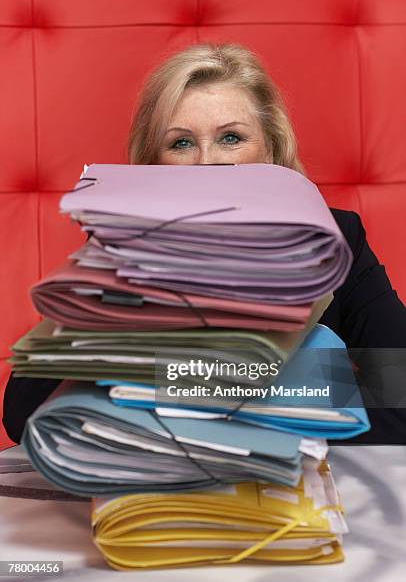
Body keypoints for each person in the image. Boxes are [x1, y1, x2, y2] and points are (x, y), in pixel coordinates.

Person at [3, 43, 406, 445]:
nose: (207, 162)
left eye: (231, 137)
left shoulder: (335, 236)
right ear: (152, 166)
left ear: (271, 150)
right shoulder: (124, 250)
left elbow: (400, 392)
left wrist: (193, 395)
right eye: (180, 143)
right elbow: (25, 414)